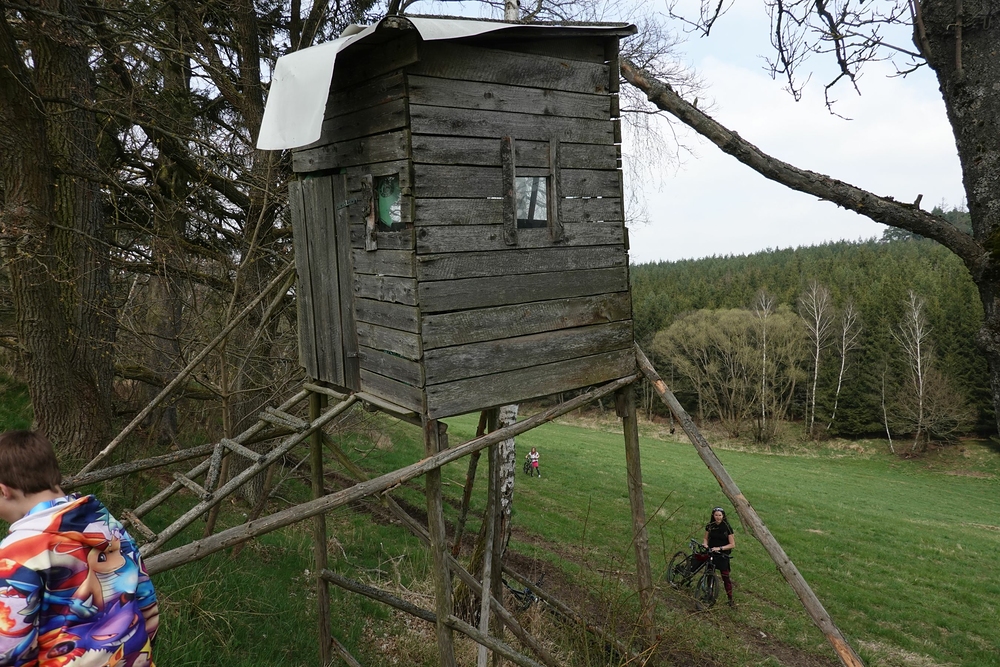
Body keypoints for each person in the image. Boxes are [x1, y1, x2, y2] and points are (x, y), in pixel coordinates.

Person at [0, 430, 159, 666]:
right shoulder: (109, 528)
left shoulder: (17, 553)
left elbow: (10, 647)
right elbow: (146, 599)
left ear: (4, 491)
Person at [702, 506, 736, 607]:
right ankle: (709, 593)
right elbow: (705, 538)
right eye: (716, 515)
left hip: (722, 555)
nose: (718, 517)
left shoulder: (727, 527)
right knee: (709, 573)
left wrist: (720, 548)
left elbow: (732, 544)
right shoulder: (710, 526)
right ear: (713, 515)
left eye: (720, 515)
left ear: (723, 516)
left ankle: (730, 599)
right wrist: (705, 544)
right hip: (711, 552)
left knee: (725, 576)